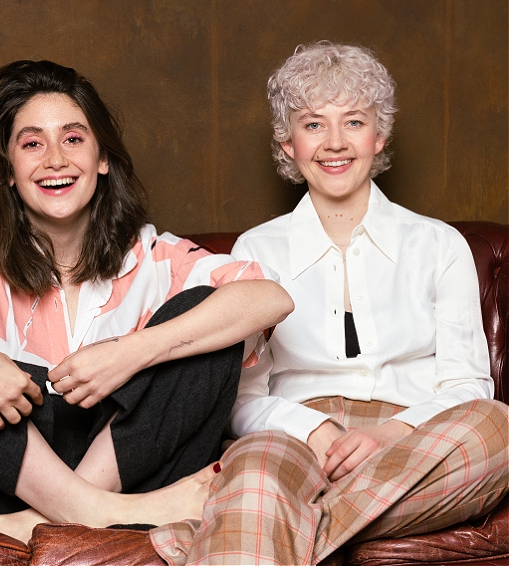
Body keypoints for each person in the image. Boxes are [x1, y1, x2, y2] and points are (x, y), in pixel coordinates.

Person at [0, 60, 293, 544]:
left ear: (102, 159)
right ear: (9, 170)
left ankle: (36, 522)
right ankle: (92, 511)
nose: (55, 159)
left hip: (129, 472)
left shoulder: (155, 255)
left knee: (205, 314)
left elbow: (268, 299)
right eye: (32, 143)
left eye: (73, 138)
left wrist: (133, 351)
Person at [150, 42, 508, 565]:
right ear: (286, 142)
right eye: (313, 124)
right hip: (292, 436)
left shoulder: (439, 244)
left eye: (355, 122)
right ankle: (261, 506)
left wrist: (390, 434)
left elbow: (467, 386)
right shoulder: (256, 250)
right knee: (255, 472)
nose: (335, 143)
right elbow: (242, 398)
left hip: (418, 442)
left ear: (379, 135)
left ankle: (251, 525)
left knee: (498, 428)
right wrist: (312, 429)